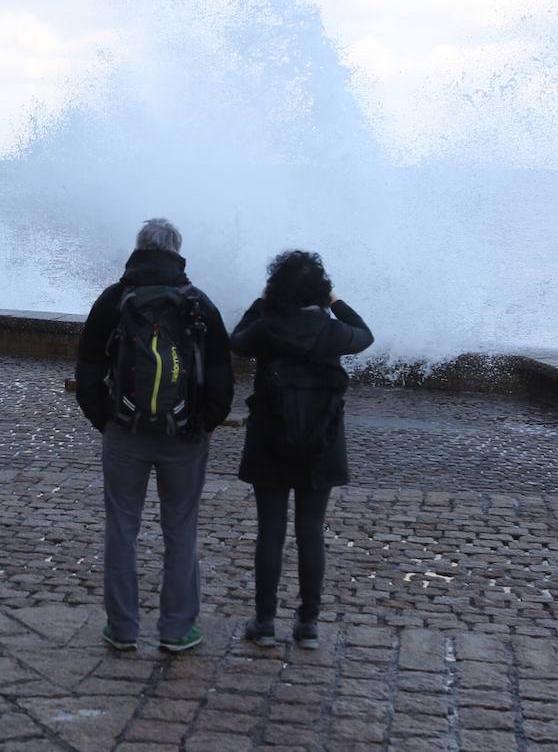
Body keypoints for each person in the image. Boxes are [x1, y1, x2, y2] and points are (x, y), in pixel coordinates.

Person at [75, 218, 234, 653]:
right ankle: (177, 629)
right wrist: (202, 424)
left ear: (139, 248)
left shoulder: (114, 300)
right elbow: (222, 376)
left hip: (124, 432)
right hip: (183, 437)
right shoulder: (198, 303)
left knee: (121, 529)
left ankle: (123, 629)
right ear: (177, 250)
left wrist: (106, 419)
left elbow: (87, 370)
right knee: (180, 529)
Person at [230, 250, 372, 649]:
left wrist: (260, 303)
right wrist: (335, 302)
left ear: (277, 288)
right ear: (321, 291)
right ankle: (308, 624)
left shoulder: (266, 328)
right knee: (311, 532)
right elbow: (365, 333)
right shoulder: (333, 333)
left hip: (271, 441)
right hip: (321, 445)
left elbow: (236, 340)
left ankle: (265, 622)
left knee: (270, 532)